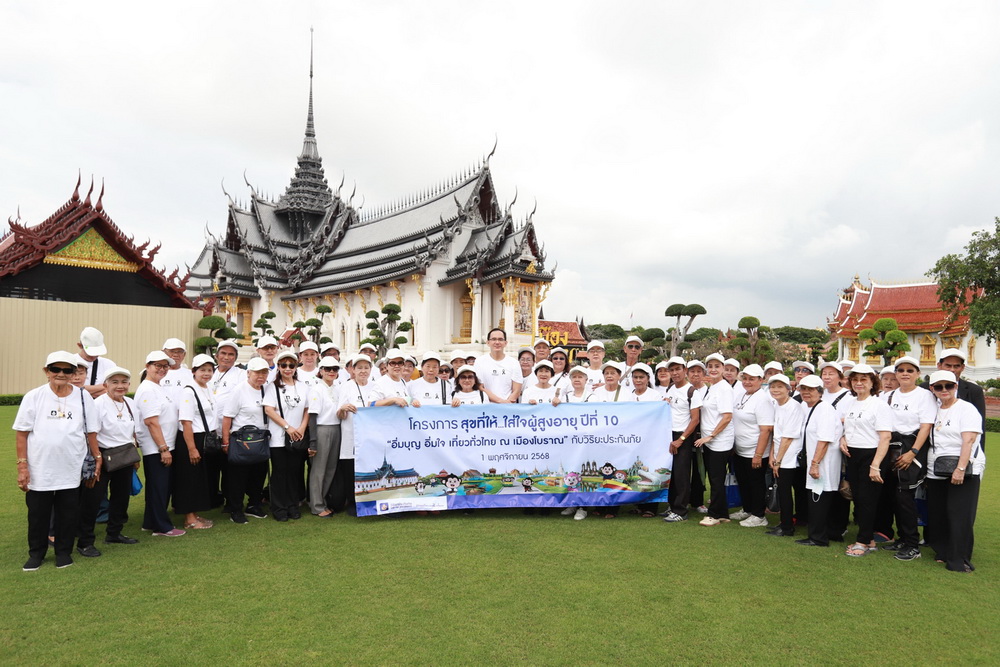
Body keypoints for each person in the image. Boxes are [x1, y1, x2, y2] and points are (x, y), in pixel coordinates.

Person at [15, 351, 101, 571]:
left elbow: (91, 433)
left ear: (74, 373)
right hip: (40, 468)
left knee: (68, 515)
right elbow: (22, 433)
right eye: (56, 369)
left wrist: (97, 459)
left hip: (71, 468)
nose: (61, 374)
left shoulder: (83, 397)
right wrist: (22, 465)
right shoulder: (34, 397)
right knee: (38, 516)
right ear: (47, 371)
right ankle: (36, 554)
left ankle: (63, 553)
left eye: (67, 370)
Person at [925, 370, 985, 573]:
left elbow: (968, 440)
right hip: (936, 469)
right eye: (938, 387)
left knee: (959, 513)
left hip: (963, 468)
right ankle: (942, 551)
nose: (944, 390)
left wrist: (960, 468)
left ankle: (959, 558)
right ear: (932, 389)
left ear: (955, 387)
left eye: (948, 386)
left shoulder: (966, 409)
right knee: (938, 512)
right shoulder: (933, 409)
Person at [77, 366, 140, 555]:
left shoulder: (130, 403)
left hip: (125, 456)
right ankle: (85, 541)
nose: (120, 386)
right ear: (105, 385)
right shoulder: (97, 404)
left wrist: (135, 456)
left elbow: (133, 431)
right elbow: (92, 433)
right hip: (102, 456)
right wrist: (97, 458)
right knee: (92, 500)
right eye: (115, 382)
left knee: (121, 498)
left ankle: (114, 533)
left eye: (124, 382)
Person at [880, 356, 935, 560]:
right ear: (895, 374)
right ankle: (902, 538)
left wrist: (913, 452)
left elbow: (925, 426)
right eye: (901, 370)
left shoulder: (924, 396)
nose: (905, 373)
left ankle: (913, 545)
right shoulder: (889, 395)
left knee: (905, 497)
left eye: (910, 371)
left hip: (912, 449)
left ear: (918, 374)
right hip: (891, 449)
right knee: (894, 497)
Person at [840, 364, 893, 557]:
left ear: (873, 382)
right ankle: (868, 539)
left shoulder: (878, 405)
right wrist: (843, 438)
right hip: (853, 455)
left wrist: (875, 465)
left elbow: (885, 437)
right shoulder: (851, 403)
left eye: (864, 379)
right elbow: (847, 427)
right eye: (855, 380)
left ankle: (862, 542)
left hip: (872, 455)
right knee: (859, 499)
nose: (859, 383)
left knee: (867, 500)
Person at [135, 351, 186, 537]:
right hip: (156, 448)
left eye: (165, 366)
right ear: (147, 366)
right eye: (158, 365)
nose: (162, 369)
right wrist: (163, 448)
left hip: (165, 445)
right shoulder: (147, 389)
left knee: (159, 487)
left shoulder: (158, 386)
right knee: (159, 487)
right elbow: (151, 422)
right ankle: (162, 526)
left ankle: (150, 521)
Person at [794, 375, 844, 547]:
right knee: (817, 498)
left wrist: (815, 463)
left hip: (823, 463)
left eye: (811, 389)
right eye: (803, 389)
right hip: (817, 461)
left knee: (818, 499)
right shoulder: (813, 408)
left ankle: (818, 538)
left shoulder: (824, 410)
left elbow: (824, 439)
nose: (806, 393)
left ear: (820, 392)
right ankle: (820, 534)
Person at [221, 358, 272, 524]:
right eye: (257, 372)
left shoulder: (267, 389)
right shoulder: (239, 390)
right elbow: (227, 417)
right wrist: (225, 442)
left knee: (258, 474)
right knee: (238, 477)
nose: (261, 376)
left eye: (264, 372)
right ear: (248, 373)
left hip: (260, 439)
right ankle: (235, 509)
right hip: (241, 439)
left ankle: (254, 505)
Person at [263, 350, 311, 522]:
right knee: (279, 474)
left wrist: (302, 427)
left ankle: (292, 504)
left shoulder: (303, 386)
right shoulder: (273, 387)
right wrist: (288, 427)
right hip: (279, 437)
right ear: (279, 367)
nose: (288, 368)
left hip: (297, 436)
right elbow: (269, 409)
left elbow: (307, 409)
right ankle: (279, 507)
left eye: (291, 365)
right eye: (284, 365)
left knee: (294, 473)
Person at [174, 354, 216, 530]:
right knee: (189, 478)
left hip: (204, 438)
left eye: (209, 370)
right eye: (202, 370)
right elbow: (186, 422)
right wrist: (192, 448)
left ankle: (194, 514)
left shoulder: (206, 388)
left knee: (198, 478)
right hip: (191, 439)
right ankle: (189, 518)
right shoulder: (188, 391)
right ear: (193, 371)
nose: (206, 373)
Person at [730, 364, 774, 528]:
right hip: (740, 449)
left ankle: (759, 515)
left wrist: (758, 454)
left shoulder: (763, 399)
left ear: (760, 380)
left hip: (756, 450)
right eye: (745, 378)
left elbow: (766, 430)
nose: (747, 382)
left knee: (756, 483)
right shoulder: (742, 394)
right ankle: (748, 509)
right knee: (744, 481)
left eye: (752, 379)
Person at [696, 353, 735, 527]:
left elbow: (727, 417)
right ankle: (722, 513)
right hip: (710, 441)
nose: (713, 369)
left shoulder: (724, 388)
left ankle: (713, 515)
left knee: (716, 479)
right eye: (710, 366)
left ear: (722, 369)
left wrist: (711, 436)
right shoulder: (712, 387)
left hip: (719, 442)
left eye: (716, 366)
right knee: (715, 478)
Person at [334, 354, 376, 516]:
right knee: (350, 470)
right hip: (350, 434)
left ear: (371, 369)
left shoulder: (375, 386)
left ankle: (368, 499)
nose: (363, 371)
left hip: (370, 437)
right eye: (359, 368)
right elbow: (339, 414)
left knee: (369, 469)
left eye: (366, 368)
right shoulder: (346, 387)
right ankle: (352, 501)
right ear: (353, 370)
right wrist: (344, 408)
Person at [662, 357, 703, 523]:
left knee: (681, 474)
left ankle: (681, 510)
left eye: (677, 369)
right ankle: (672, 506)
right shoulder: (671, 388)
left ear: (685, 370)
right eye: (671, 370)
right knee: (670, 472)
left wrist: (681, 439)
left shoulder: (692, 391)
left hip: (683, 436)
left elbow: (695, 420)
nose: (674, 373)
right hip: (669, 435)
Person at [923, 349, 986, 453]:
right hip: (931, 450)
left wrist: (977, 454)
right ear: (939, 365)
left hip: (961, 449)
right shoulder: (924, 389)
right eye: (948, 365)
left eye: (956, 366)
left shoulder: (974, 391)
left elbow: (980, 426)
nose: (952, 370)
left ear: (962, 367)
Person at [767, 374, 805, 537]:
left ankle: (787, 527)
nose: (776, 390)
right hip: (779, 454)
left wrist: (779, 460)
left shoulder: (794, 407)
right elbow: (777, 434)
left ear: (788, 390)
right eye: (773, 387)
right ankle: (784, 523)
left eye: (780, 387)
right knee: (782, 490)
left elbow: (788, 437)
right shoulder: (777, 405)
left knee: (784, 491)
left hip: (789, 455)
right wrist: (771, 456)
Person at [209, 341, 245, 509]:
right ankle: (212, 499)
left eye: (231, 355)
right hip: (209, 430)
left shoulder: (240, 374)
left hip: (230, 430)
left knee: (230, 469)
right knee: (210, 469)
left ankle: (231, 502)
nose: (226, 357)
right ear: (216, 355)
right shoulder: (210, 372)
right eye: (223, 353)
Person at [307, 356, 344, 517]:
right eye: (327, 369)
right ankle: (316, 505)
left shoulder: (337, 388)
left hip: (336, 428)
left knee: (330, 469)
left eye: (334, 369)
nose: (331, 372)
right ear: (321, 371)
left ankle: (323, 501)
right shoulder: (317, 389)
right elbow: (313, 416)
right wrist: (313, 441)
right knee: (319, 469)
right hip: (322, 429)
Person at [474, 328, 522, 403]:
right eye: (493, 339)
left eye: (500, 339)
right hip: (487, 407)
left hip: (509, 407)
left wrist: (507, 402)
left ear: (505, 343)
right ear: (488, 342)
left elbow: (517, 390)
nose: (497, 342)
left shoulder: (514, 362)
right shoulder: (479, 361)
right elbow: (480, 387)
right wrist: (500, 401)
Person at [76, 326, 116, 398]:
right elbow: (66, 388)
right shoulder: (69, 362)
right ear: (79, 346)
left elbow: (114, 389)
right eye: (90, 353)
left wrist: (82, 388)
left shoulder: (109, 364)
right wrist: (102, 387)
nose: (94, 355)